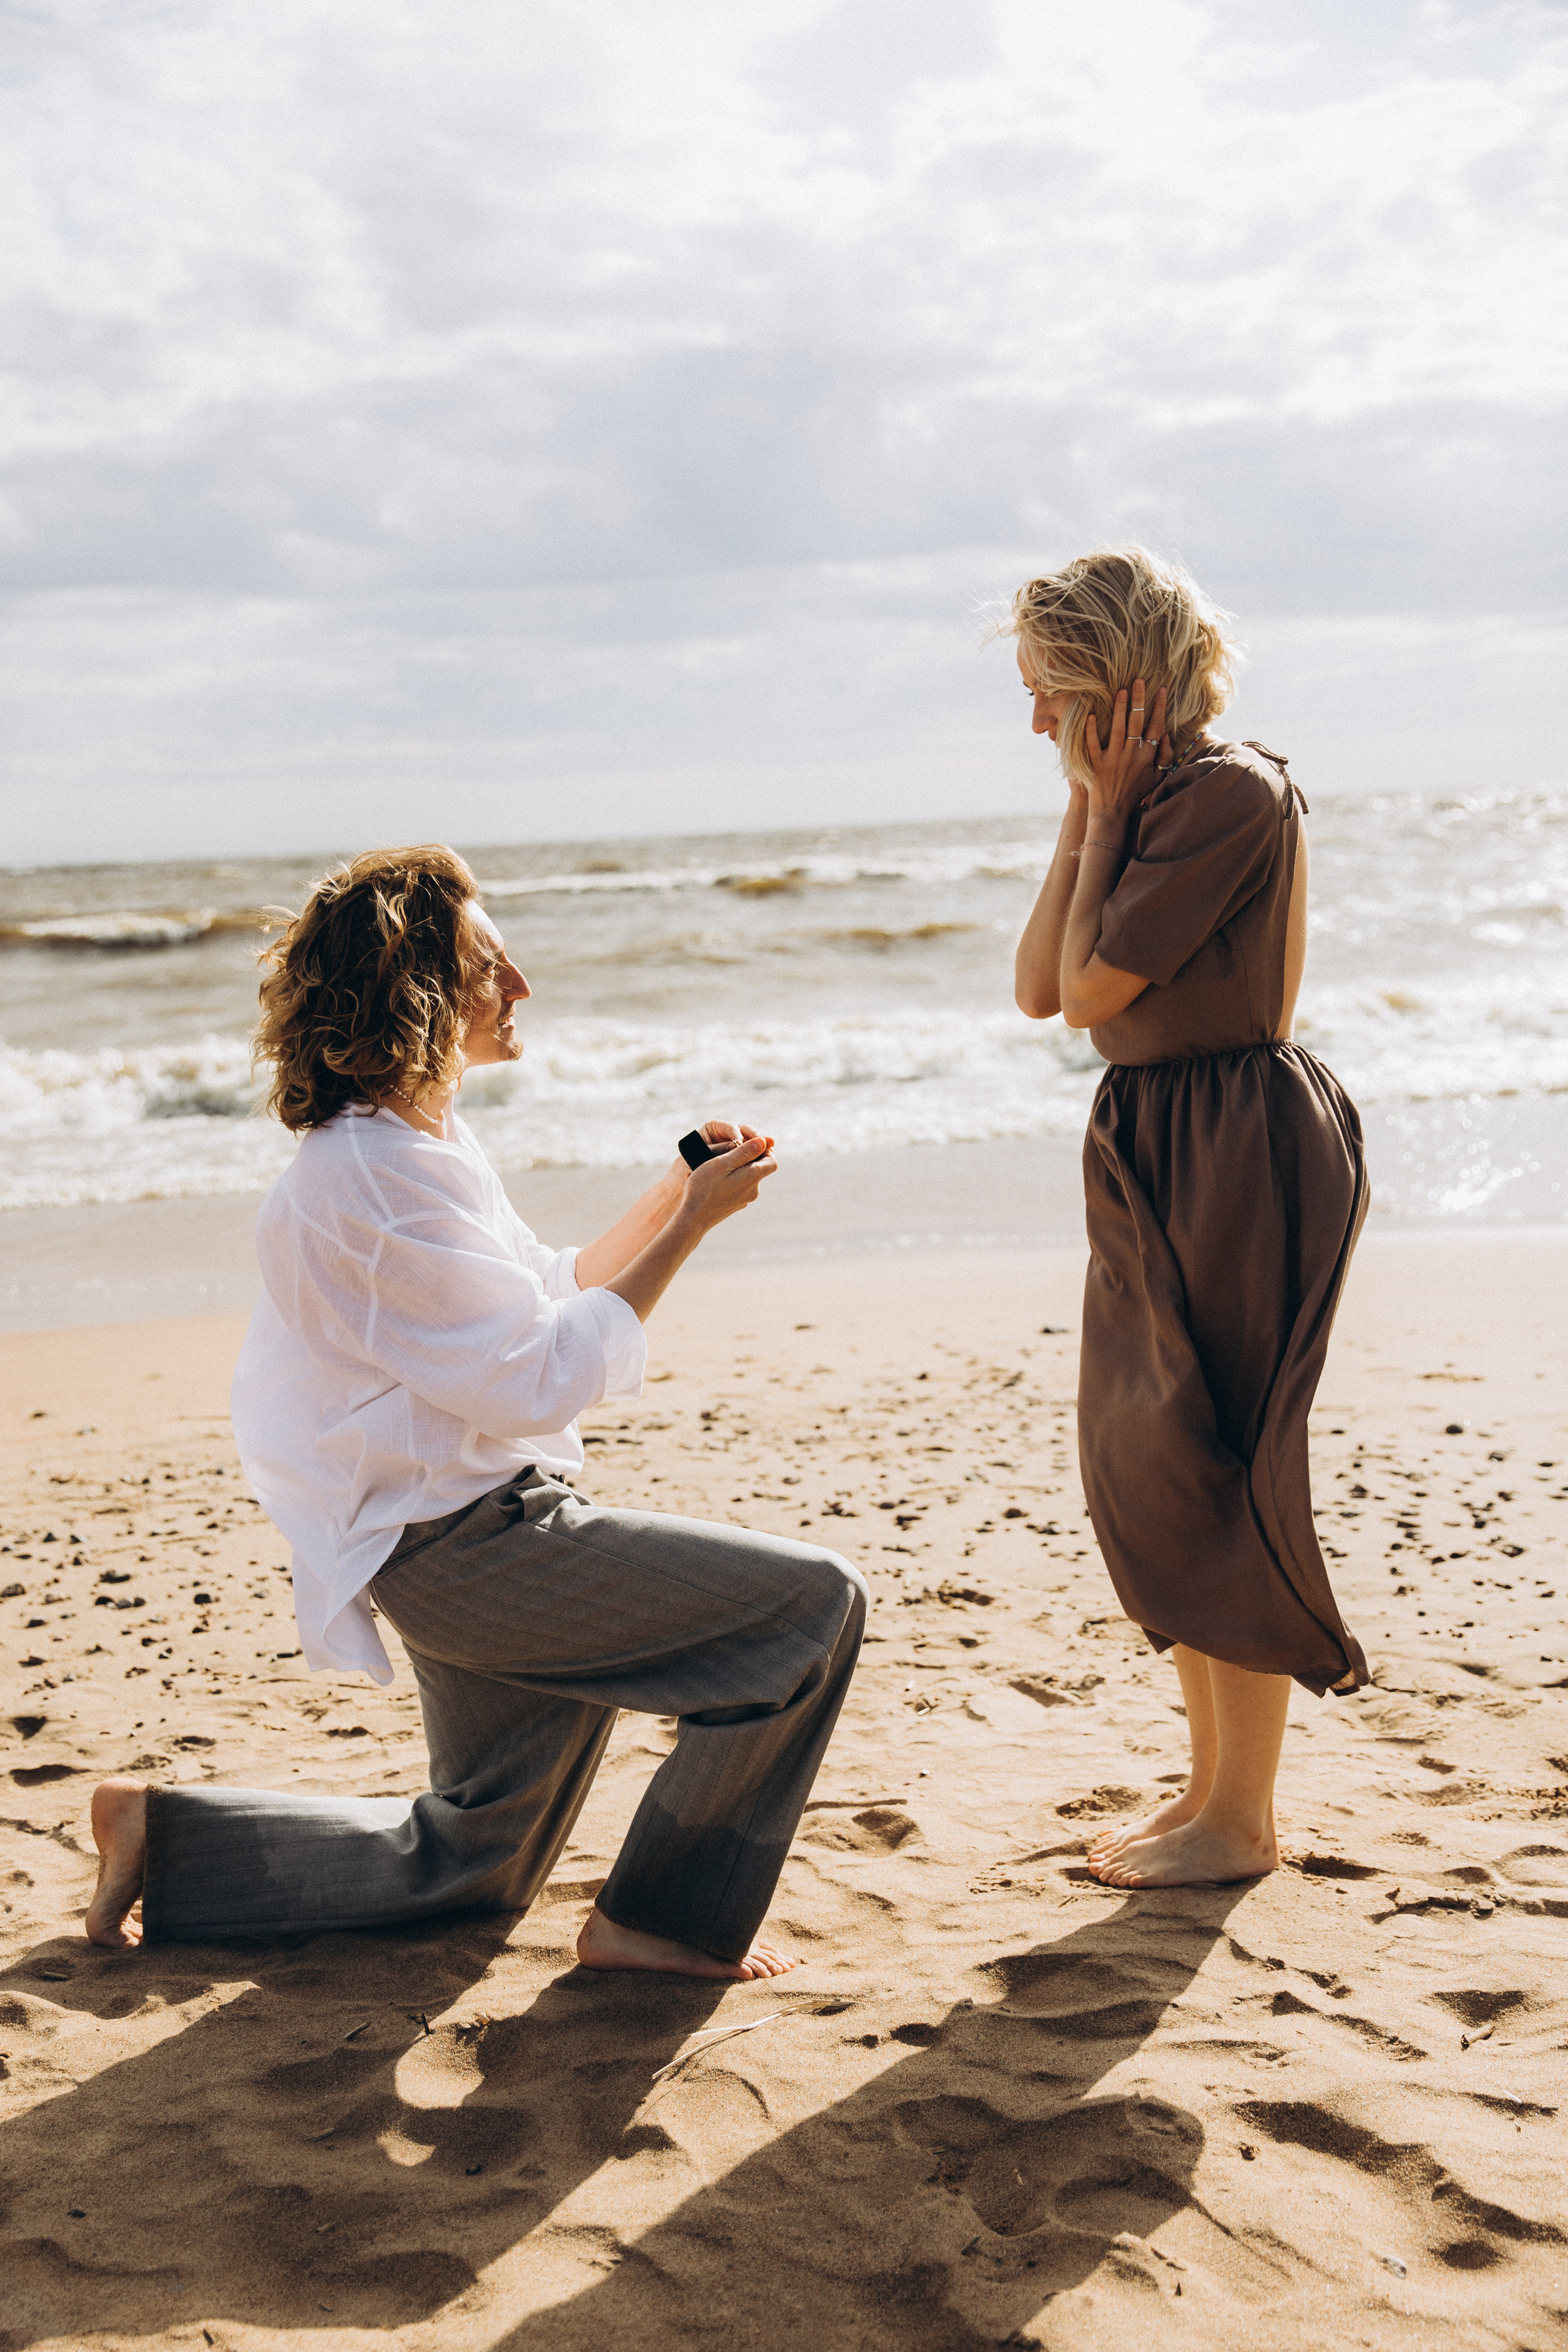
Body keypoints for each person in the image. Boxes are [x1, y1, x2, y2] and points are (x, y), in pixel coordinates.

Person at [86, 846, 865, 1977]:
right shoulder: (370, 1178)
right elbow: (537, 1377)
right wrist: (688, 1229)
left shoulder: (411, 1150)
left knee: (476, 1856)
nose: (522, 987)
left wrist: (669, 1200)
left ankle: (165, 1834)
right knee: (813, 1612)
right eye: (492, 965)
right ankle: (660, 1921)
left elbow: (541, 1299)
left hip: (464, 1527)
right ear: (420, 992)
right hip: (467, 1548)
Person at [1009, 548, 1368, 1890]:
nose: (1035, 720)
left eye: (1051, 690)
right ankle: (1213, 1789)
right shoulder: (1144, 802)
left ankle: (1241, 1819)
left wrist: (1100, 824)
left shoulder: (1224, 794)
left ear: (1119, 683)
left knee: (1215, 1455)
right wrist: (1083, 814)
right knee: (1153, 1458)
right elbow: (1036, 991)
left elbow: (1098, 991)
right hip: (1156, 1138)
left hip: (1234, 1140)